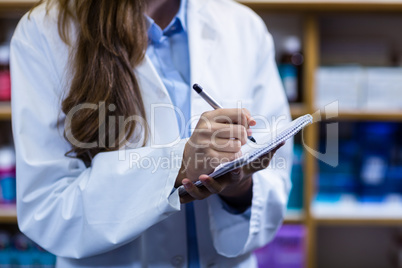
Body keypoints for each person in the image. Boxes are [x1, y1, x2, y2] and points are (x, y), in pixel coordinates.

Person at [10, 0, 293, 267]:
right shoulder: (45, 31)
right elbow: (48, 210)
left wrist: (239, 186)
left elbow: (274, 185)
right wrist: (176, 166)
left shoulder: (243, 27)